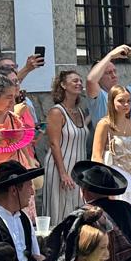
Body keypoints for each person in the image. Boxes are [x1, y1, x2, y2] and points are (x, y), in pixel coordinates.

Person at [40, 68, 91, 224]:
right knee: (59, 212)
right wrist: (63, 173)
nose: (79, 83)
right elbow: (54, 144)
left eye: (80, 81)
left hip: (77, 170)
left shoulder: (80, 112)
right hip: (60, 168)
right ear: (63, 85)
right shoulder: (56, 112)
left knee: (77, 211)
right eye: (75, 81)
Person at [91, 84, 131, 212]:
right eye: (121, 101)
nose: (126, 105)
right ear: (112, 102)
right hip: (115, 174)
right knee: (116, 217)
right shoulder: (104, 124)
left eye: (128, 101)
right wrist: (105, 183)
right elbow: (96, 155)